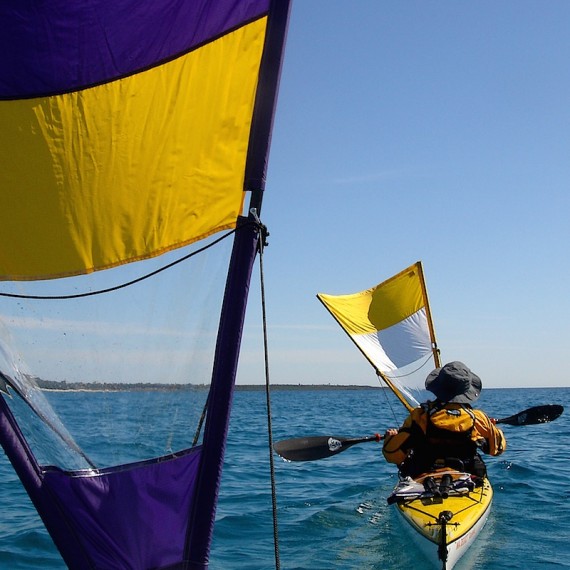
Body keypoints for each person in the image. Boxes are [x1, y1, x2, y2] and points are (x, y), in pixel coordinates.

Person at [382, 361, 506, 479]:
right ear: (467, 391)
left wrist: (390, 438)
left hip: (424, 475)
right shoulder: (478, 418)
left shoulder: (420, 416)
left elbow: (392, 455)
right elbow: (496, 449)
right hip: (467, 476)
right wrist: (493, 428)